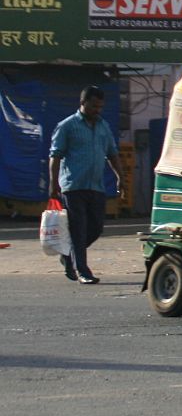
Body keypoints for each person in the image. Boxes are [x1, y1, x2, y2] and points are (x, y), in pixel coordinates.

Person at [47, 86, 118, 285]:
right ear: (83, 103)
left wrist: (120, 176)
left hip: (96, 186)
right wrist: (54, 186)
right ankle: (83, 271)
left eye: (100, 106)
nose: (98, 109)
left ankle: (69, 256)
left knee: (95, 227)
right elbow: (55, 156)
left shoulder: (103, 126)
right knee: (78, 229)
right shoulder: (67, 126)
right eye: (94, 105)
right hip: (73, 186)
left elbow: (112, 153)